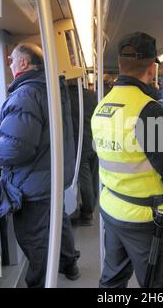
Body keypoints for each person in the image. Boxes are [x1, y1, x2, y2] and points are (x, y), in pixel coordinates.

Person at [91, 32, 163, 288]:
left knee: (112, 279)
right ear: (152, 68)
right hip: (144, 218)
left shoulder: (102, 107)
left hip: (111, 207)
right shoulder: (150, 110)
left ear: (120, 65)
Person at [0, 43, 80, 287]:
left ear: (24, 63)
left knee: (33, 240)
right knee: (58, 224)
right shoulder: (51, 89)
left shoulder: (25, 94)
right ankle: (69, 264)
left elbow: (17, 148)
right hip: (52, 175)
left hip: (34, 185)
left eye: (11, 60)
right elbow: (38, 135)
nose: (9, 64)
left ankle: (37, 283)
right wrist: (1, 136)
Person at [69, 82, 99, 226]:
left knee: (85, 179)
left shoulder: (66, 97)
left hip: (80, 143)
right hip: (95, 140)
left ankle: (87, 213)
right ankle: (92, 206)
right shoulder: (91, 95)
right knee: (93, 177)